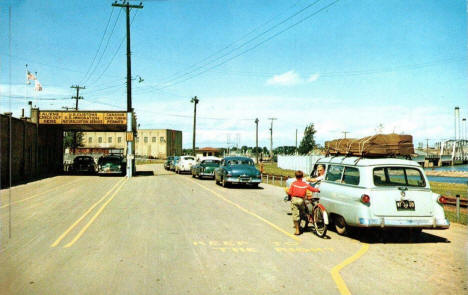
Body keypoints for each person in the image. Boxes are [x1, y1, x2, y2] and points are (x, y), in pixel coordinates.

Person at [287, 170, 320, 235]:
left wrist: (288, 193)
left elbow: (290, 192)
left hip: (294, 199)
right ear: (302, 177)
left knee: (295, 215)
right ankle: (305, 225)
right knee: (303, 213)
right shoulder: (305, 184)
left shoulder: (293, 183)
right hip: (301, 200)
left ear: (295, 177)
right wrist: (317, 190)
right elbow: (312, 189)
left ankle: (297, 230)